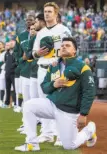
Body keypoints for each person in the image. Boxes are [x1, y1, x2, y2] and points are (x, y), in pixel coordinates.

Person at [15, 37, 96, 152]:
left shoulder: (83, 67)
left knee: (69, 146)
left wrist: (83, 114)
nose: (63, 47)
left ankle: (89, 130)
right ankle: (32, 143)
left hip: (68, 110)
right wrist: (54, 84)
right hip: (52, 104)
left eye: (67, 45)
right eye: (62, 45)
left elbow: (89, 91)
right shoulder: (54, 65)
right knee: (28, 106)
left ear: (74, 51)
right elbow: (44, 87)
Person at [32, 2, 71, 145]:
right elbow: (33, 53)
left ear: (56, 13)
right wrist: (38, 53)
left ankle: (61, 135)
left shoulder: (63, 30)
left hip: (57, 67)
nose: (47, 13)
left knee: (59, 101)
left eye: (49, 11)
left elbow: (70, 48)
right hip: (42, 68)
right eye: (45, 11)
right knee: (43, 102)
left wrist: (60, 59)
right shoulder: (40, 33)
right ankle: (47, 133)